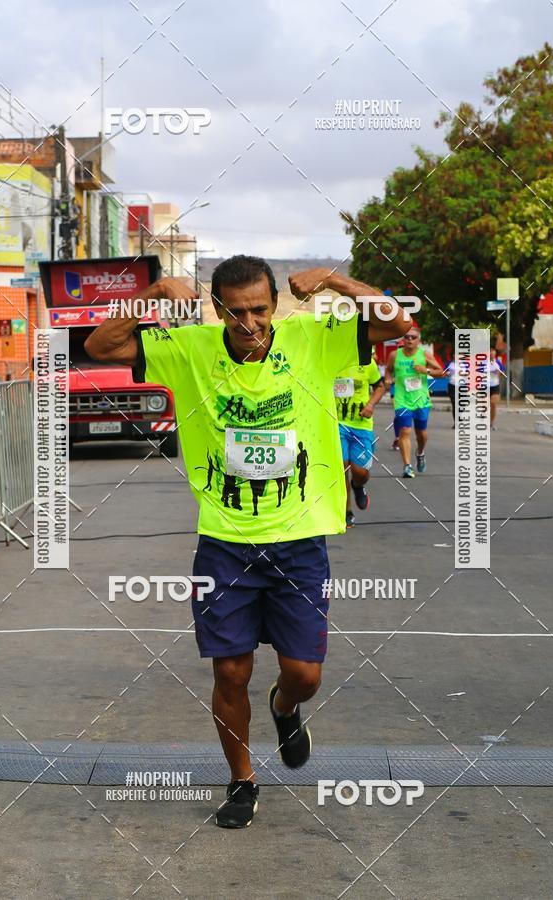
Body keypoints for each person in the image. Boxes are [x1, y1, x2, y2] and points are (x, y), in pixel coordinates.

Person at [85, 256, 408, 828]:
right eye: (238, 313)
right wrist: (153, 291)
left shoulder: (314, 338)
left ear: (275, 305)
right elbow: (100, 348)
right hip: (225, 543)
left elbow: (398, 323)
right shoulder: (191, 349)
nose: (251, 322)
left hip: (300, 540)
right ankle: (241, 781)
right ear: (217, 309)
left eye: (261, 309)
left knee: (305, 675)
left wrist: (334, 280)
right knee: (230, 672)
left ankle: (284, 710)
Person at [385, 325, 442, 478]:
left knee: (421, 434)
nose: (409, 340)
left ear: (419, 340)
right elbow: (389, 369)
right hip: (402, 399)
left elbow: (442, 372)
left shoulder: (425, 355)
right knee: (405, 430)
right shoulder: (394, 355)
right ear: (403, 339)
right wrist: (388, 379)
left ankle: (420, 452)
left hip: (421, 399)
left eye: (413, 337)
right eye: (407, 337)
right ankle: (407, 466)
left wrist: (426, 371)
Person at [334, 358, 385, 526]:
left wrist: (370, 405)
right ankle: (346, 511)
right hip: (337, 423)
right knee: (342, 467)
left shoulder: (367, 363)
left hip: (361, 425)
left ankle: (358, 485)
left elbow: (380, 386)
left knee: (360, 471)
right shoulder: (332, 359)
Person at [489, 347, 505, 429]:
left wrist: (499, 372)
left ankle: (492, 423)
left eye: (493, 352)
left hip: (495, 385)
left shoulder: (498, 362)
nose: (491, 353)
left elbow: (502, 372)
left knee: (493, 404)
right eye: (490, 352)